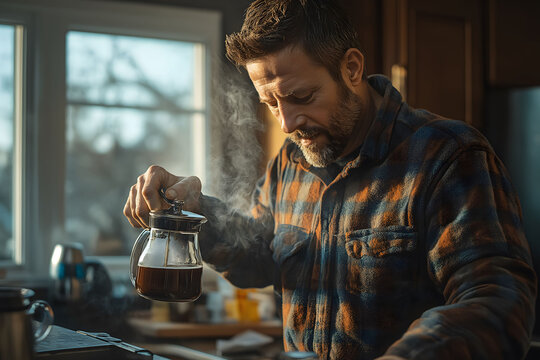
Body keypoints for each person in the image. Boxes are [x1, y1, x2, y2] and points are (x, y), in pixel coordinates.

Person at [123, 0, 537, 359]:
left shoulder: (448, 157)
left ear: (352, 68)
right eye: (271, 103)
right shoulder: (289, 164)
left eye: (301, 97)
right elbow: (258, 259)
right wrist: (194, 212)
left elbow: (498, 304)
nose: (287, 123)